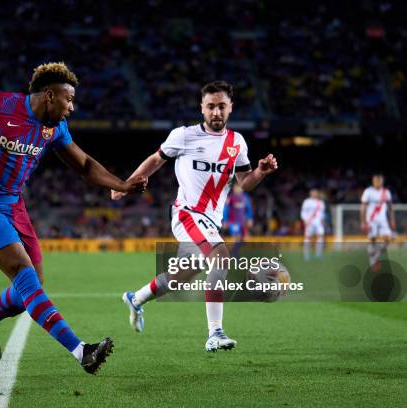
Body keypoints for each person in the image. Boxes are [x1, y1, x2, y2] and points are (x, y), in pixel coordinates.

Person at [0, 62, 147, 374]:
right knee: (23, 272)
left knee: (29, 288)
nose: (72, 107)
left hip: (16, 208)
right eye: (68, 99)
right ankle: (81, 350)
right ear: (49, 95)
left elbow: (84, 165)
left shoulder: (55, 128)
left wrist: (122, 185)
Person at [112, 81, 277, 351]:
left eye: (221, 106)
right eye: (211, 106)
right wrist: (126, 184)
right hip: (187, 213)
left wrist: (260, 172)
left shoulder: (237, 143)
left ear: (230, 108)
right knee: (220, 255)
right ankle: (215, 332)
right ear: (202, 108)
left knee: (178, 279)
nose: (216, 112)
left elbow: (245, 183)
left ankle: (136, 298)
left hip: (211, 221)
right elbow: (156, 160)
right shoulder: (184, 135)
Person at [360, 174, 395, 269]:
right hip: (371, 220)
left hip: (383, 220)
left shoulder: (386, 192)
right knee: (372, 240)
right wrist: (363, 222)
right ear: (373, 181)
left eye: (380, 180)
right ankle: (373, 262)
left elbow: (390, 208)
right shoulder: (368, 192)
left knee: (388, 239)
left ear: (382, 181)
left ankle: (375, 255)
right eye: (376, 180)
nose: (378, 182)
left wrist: (392, 220)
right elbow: (363, 207)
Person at [223, 184, 253, 257]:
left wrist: (250, 218)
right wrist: (225, 220)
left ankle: (233, 252)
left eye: (239, 187)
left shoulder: (245, 198)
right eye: (236, 187)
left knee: (245, 239)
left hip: (243, 222)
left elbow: (249, 209)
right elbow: (226, 209)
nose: (237, 189)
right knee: (236, 238)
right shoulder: (231, 198)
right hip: (233, 222)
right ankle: (233, 255)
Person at [300, 189, 325, 261]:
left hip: (318, 223)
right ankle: (306, 255)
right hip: (309, 222)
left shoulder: (321, 202)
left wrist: (322, 220)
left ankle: (319, 255)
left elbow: (322, 213)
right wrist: (305, 220)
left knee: (320, 237)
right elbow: (303, 212)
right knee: (308, 238)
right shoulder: (307, 202)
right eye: (313, 193)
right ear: (310, 194)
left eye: (315, 193)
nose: (314, 194)